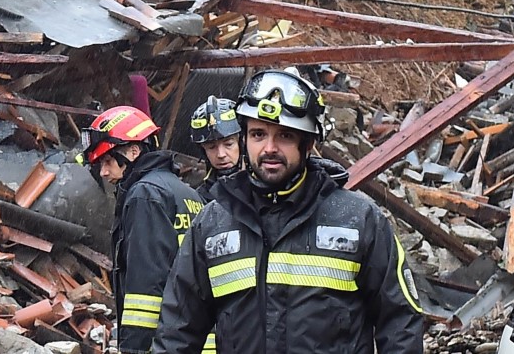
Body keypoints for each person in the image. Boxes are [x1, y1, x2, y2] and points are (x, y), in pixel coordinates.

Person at [152, 70, 424, 354]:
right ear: (244, 139)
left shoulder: (359, 221)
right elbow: (176, 334)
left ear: (307, 144)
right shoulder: (212, 225)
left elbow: (400, 323)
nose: (269, 148)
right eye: (258, 134)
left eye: (284, 135)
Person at [78, 106, 205, 354]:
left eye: (107, 161)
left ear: (133, 152)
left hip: (163, 341)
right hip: (196, 337)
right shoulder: (189, 194)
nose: (103, 172)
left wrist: (134, 347)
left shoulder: (144, 195)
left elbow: (146, 282)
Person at [189, 96, 242, 201]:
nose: (221, 154)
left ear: (242, 143)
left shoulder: (265, 187)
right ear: (203, 151)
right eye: (211, 147)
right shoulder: (200, 197)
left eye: (229, 144)